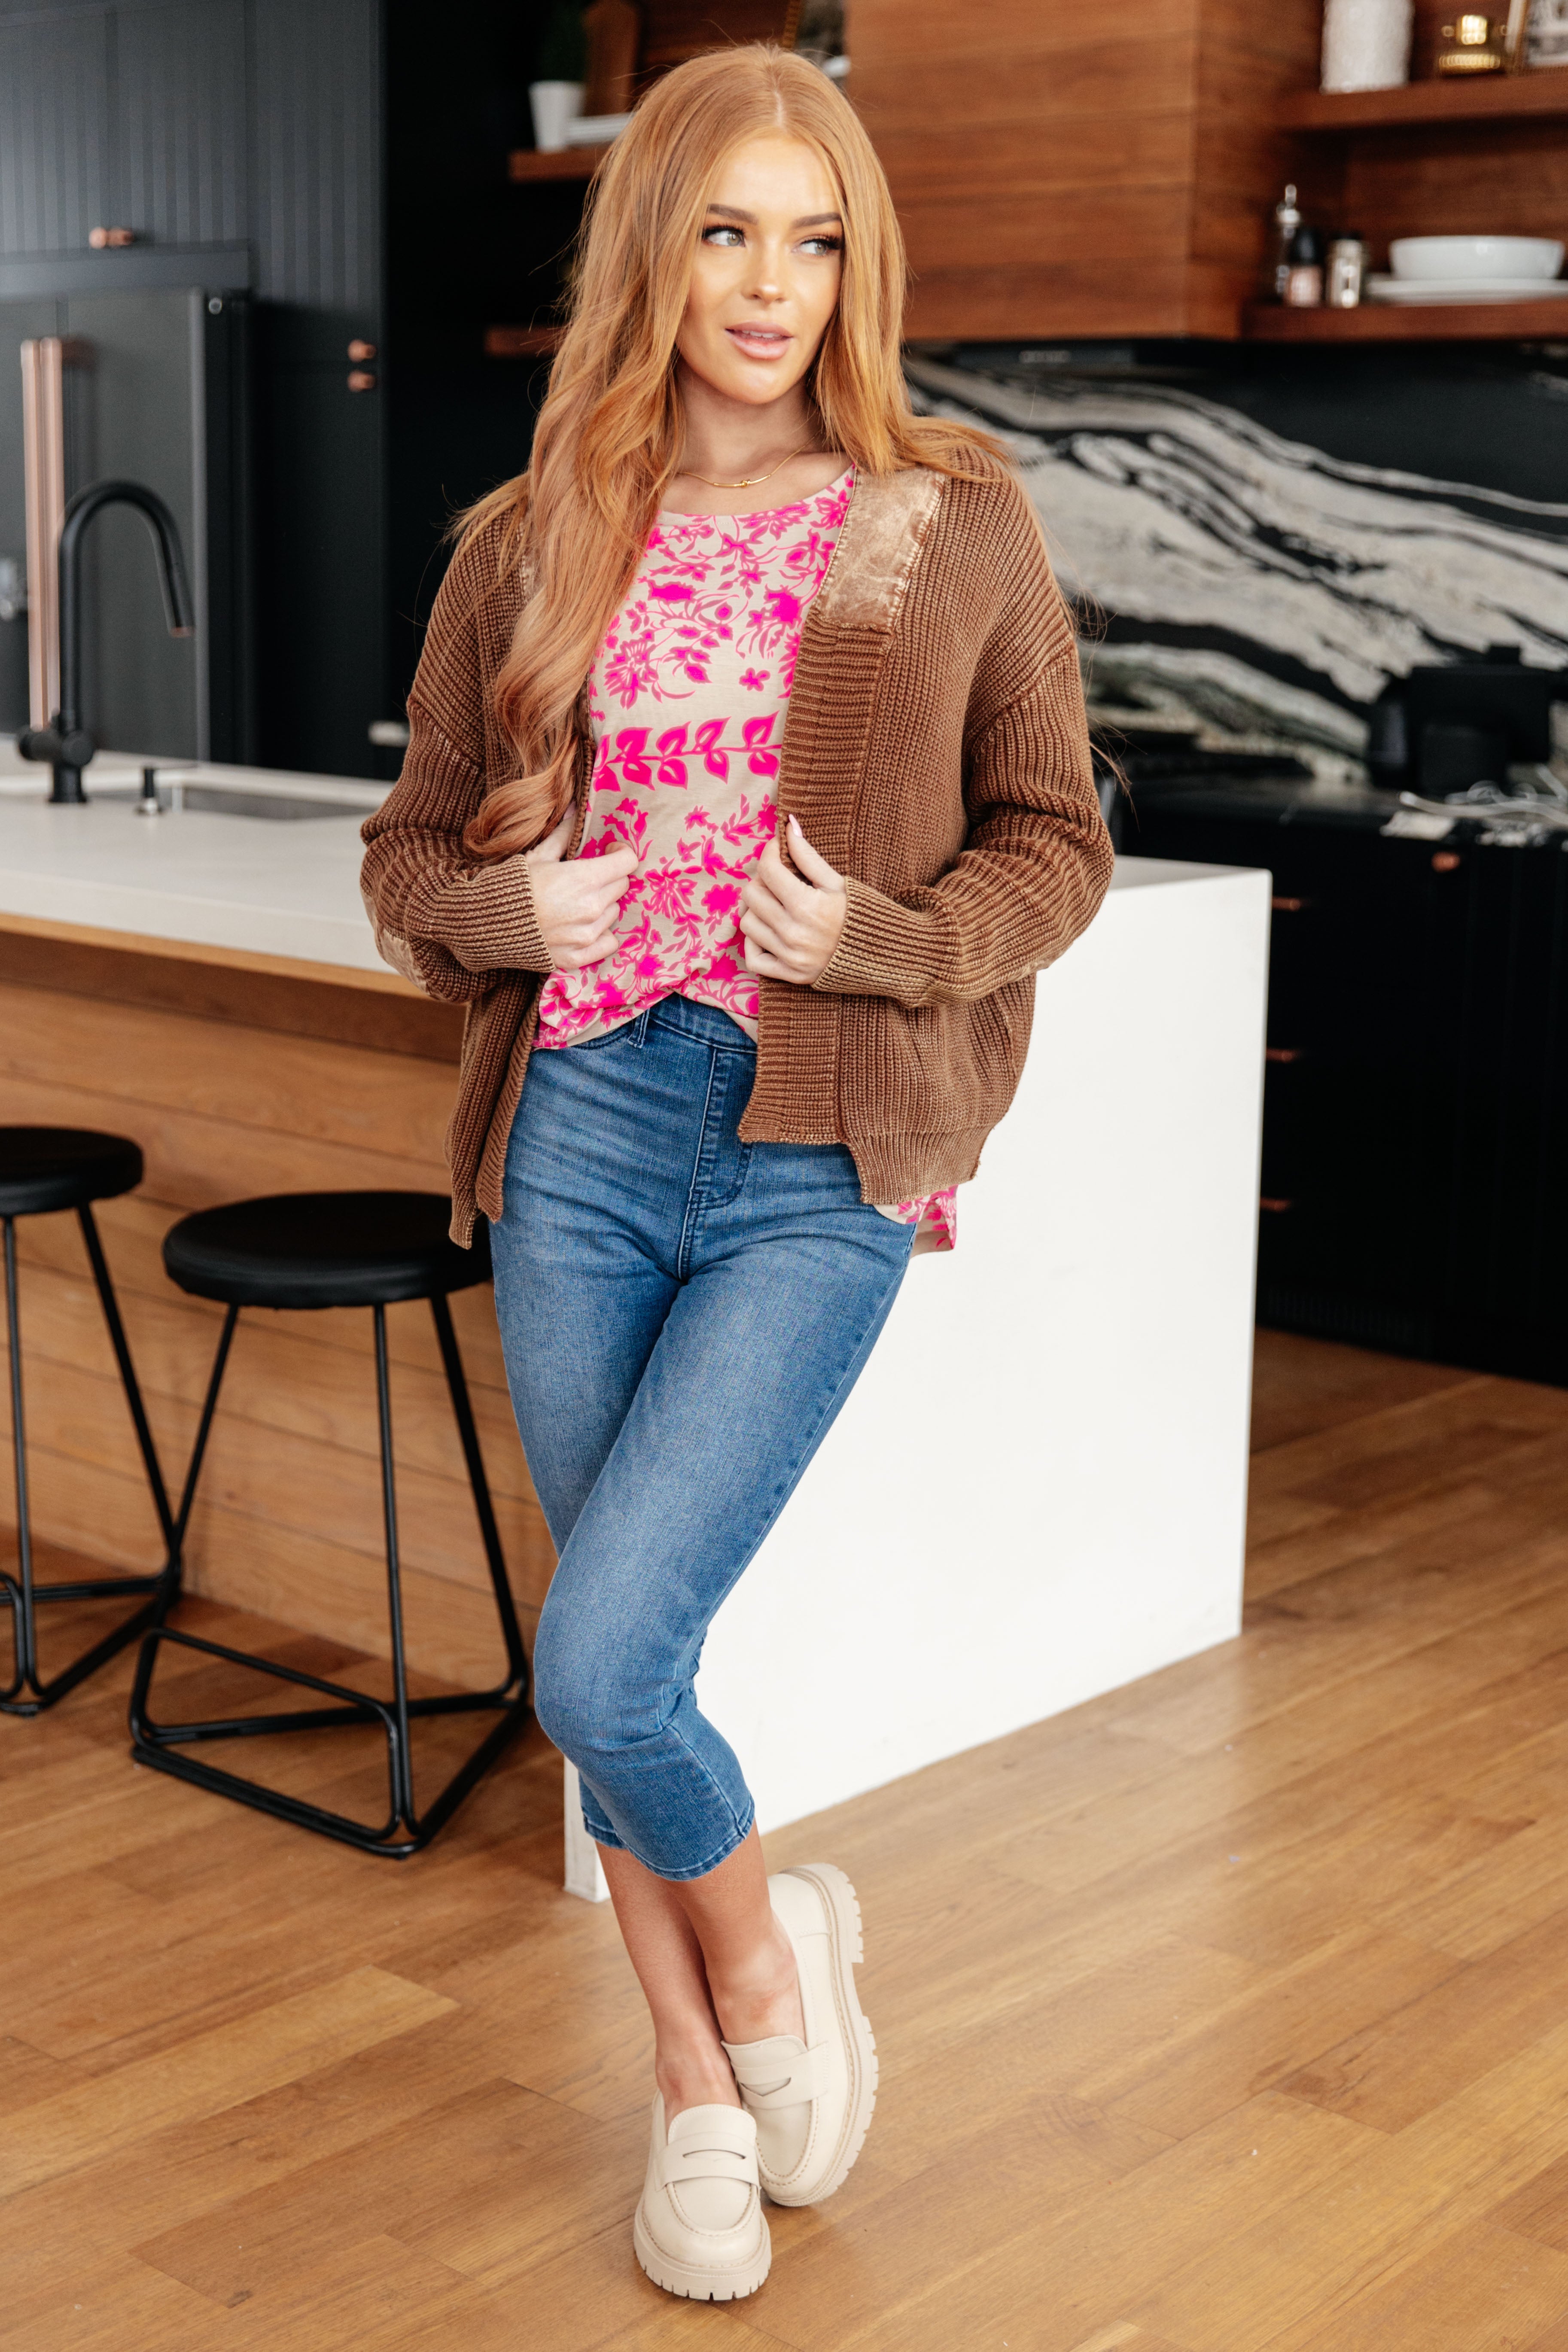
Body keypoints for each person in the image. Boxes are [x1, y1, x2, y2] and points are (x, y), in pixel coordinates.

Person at [361, 42, 1111, 2305]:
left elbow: (1055, 841)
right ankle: (697, 2079)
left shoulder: (949, 518)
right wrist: (511, 910)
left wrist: (883, 942)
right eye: (726, 233)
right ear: (654, 252)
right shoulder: (528, 540)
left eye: (815, 241)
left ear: (854, 269)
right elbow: (406, 857)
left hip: (812, 1155)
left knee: (600, 1662)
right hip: (583, 1135)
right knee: (627, 1649)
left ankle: (776, 1954)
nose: (772, 286)